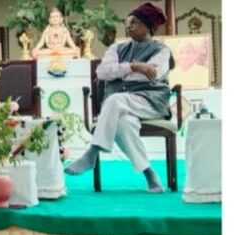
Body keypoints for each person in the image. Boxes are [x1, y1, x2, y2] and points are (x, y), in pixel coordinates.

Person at [64, 3, 174, 193]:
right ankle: (150, 175)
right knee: (123, 123)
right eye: (127, 22)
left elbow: (151, 75)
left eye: (134, 22)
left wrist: (120, 71)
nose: (128, 26)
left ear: (148, 26)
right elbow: (102, 72)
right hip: (121, 104)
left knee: (115, 100)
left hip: (149, 100)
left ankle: (92, 153)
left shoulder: (161, 50)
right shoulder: (117, 48)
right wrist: (134, 66)